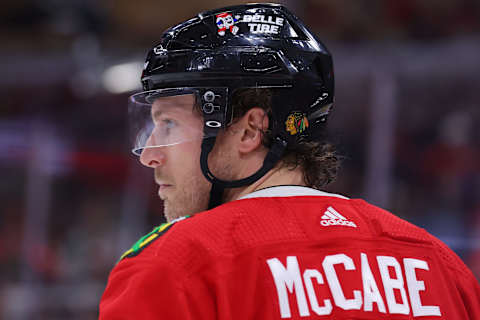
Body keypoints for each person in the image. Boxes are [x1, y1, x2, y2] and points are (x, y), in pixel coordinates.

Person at [99, 3, 480, 319]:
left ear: (249, 131)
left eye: (168, 123)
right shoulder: (439, 265)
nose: (149, 154)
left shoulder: (177, 264)